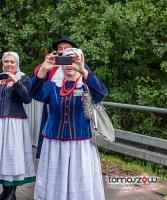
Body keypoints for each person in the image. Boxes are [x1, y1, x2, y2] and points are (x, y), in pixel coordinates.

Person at [30, 47, 108, 200]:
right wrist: (43, 70)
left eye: (74, 60)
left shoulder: (86, 85)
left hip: (80, 145)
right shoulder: (53, 86)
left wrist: (84, 71)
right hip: (54, 144)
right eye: (66, 60)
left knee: (79, 182)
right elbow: (34, 93)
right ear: (61, 64)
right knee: (54, 181)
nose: (70, 64)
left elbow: (102, 94)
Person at [0, 52, 36, 200]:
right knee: (1, 156)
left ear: (17, 63)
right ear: (3, 63)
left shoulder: (23, 77)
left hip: (14, 122)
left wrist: (16, 82)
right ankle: (5, 192)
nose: (9, 64)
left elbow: (27, 99)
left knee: (12, 156)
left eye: (12, 62)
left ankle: (12, 193)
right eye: (6, 61)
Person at [35, 35, 80, 159]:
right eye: (60, 48)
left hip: (74, 115)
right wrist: (45, 65)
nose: (63, 50)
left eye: (67, 48)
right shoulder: (52, 67)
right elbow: (38, 84)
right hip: (53, 108)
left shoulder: (80, 67)